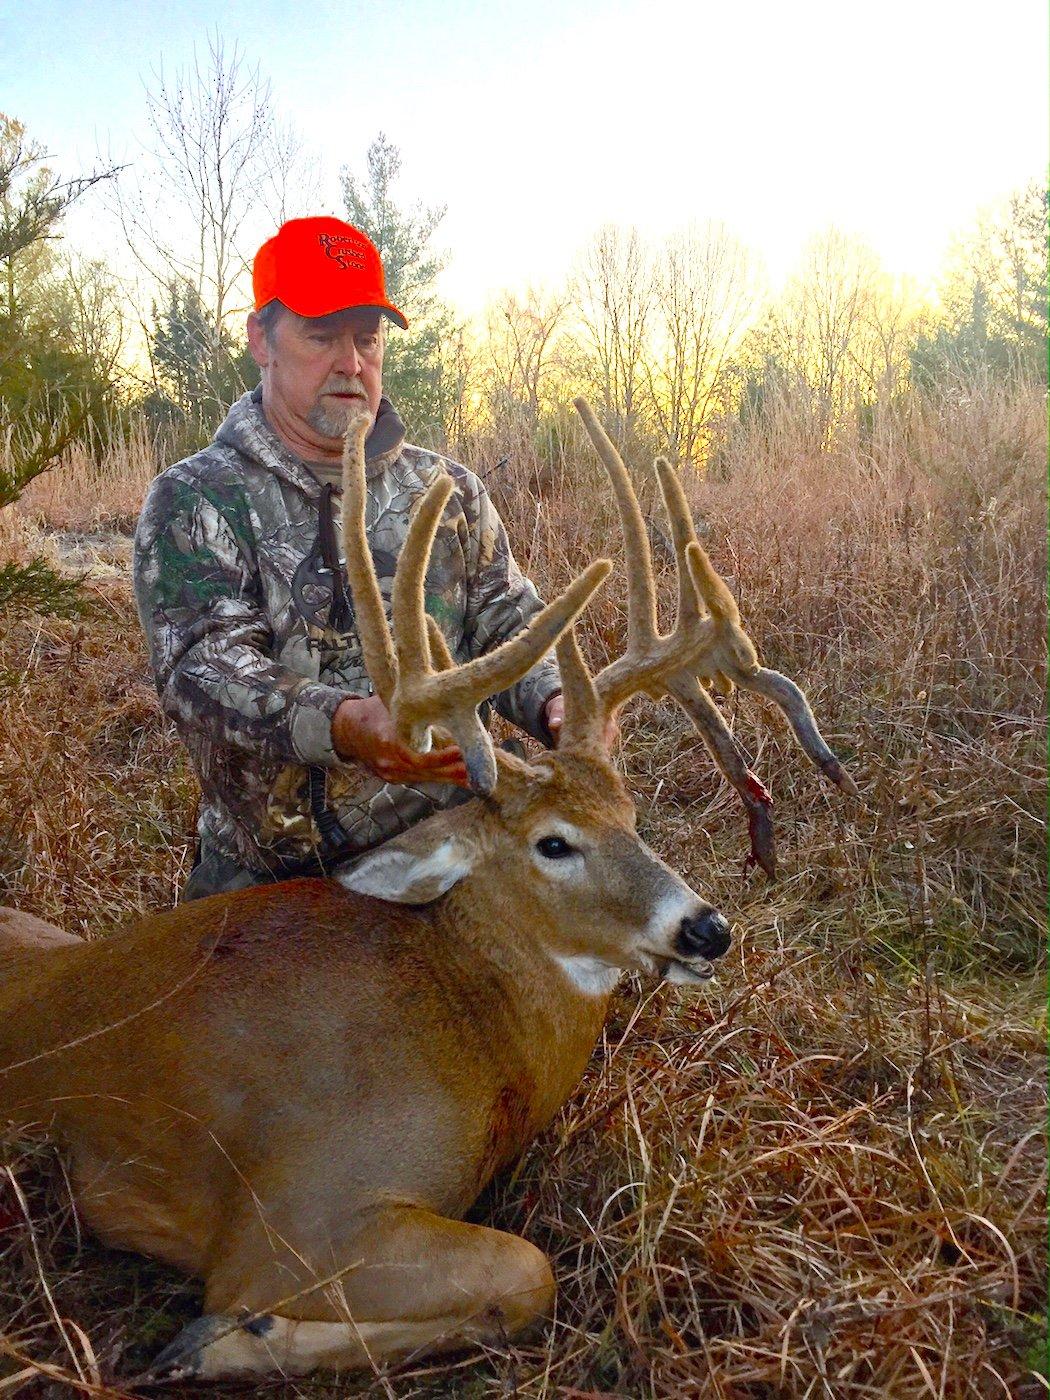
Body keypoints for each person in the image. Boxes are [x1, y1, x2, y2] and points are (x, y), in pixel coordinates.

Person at [133, 216, 566, 901]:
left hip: (451, 843)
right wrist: (345, 725)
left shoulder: (445, 491)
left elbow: (509, 620)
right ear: (260, 340)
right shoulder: (197, 497)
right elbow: (200, 667)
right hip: (273, 875)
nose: (351, 361)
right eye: (321, 334)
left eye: (366, 337)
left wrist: (556, 700)